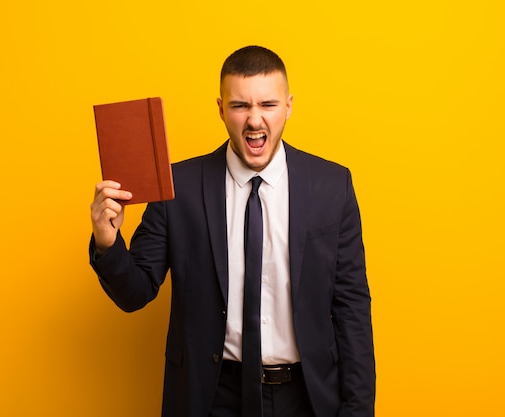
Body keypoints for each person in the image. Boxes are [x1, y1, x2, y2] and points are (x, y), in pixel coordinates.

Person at [90, 45, 375, 417]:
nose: (255, 120)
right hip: (211, 397)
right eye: (241, 106)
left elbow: (352, 307)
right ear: (222, 109)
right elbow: (135, 292)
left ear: (288, 106)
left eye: (268, 105)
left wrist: (358, 410)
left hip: (306, 397)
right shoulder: (178, 188)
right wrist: (107, 242)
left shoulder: (332, 186)